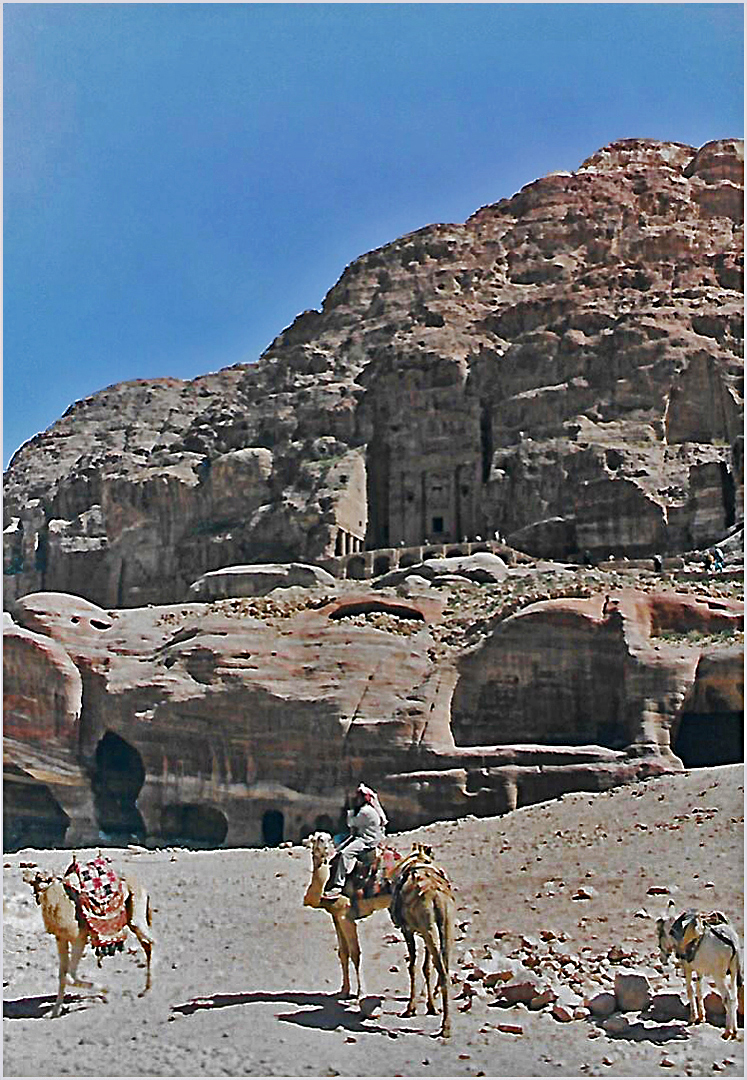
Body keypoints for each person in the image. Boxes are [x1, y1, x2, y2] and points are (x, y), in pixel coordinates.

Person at [322, 784, 387, 900]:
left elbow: (351, 823)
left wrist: (351, 811)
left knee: (344, 854)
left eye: (359, 797)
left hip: (366, 840)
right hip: (364, 836)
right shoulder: (367, 810)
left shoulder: (365, 812)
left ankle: (338, 886)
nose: (357, 800)